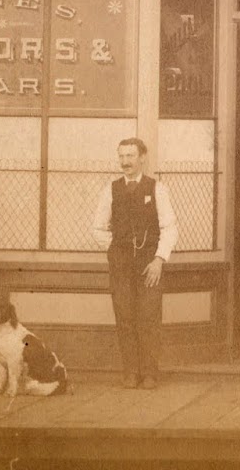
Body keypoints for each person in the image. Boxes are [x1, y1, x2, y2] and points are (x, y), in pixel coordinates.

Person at [92, 137, 179, 388]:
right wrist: (115, 248)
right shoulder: (111, 189)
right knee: (125, 316)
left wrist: (159, 259)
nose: (125, 162)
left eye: (130, 156)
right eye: (121, 156)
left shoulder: (157, 188)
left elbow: (170, 227)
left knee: (149, 317)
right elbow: (97, 228)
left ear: (142, 158)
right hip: (121, 265)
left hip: (150, 265)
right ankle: (130, 372)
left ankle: (150, 373)